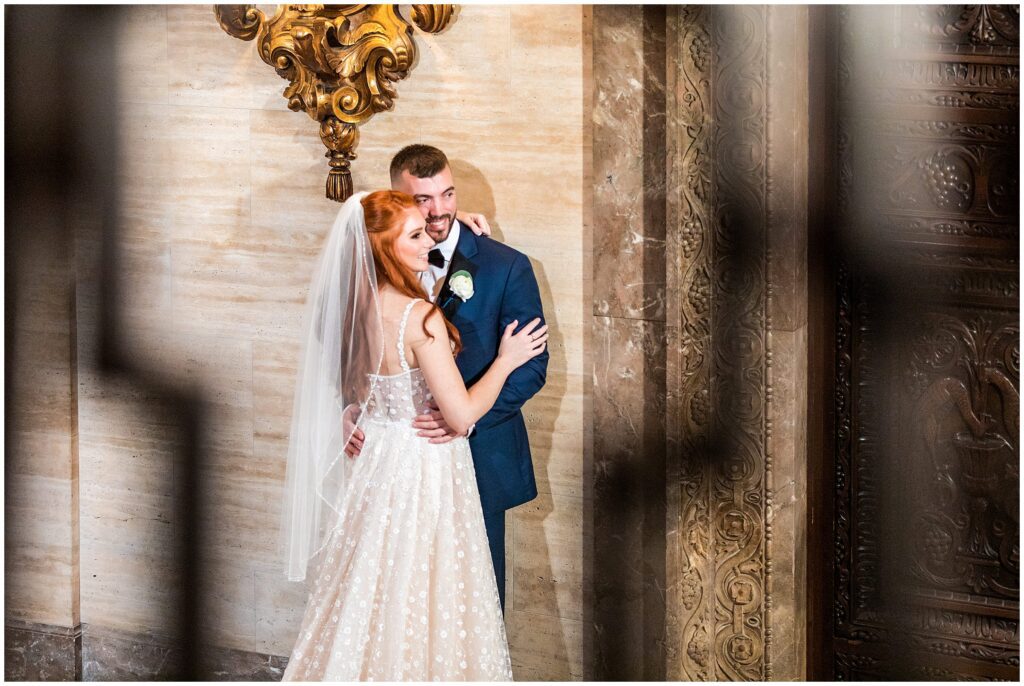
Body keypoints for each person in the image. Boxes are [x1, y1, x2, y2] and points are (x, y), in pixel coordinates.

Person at [280, 190, 548, 680]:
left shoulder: (355, 310)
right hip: (426, 466)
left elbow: (360, 387)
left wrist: (352, 413)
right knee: (433, 592)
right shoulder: (421, 318)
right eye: (416, 235)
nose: (429, 241)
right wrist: (507, 360)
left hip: (378, 464)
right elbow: (462, 414)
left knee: (374, 592)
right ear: (386, 249)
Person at [345, 145, 549, 609]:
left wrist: (462, 417)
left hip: (479, 456)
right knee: (396, 597)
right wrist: (351, 408)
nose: (438, 211)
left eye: (448, 194)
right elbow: (346, 347)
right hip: (397, 466)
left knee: (474, 602)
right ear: (395, 198)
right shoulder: (370, 268)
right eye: (422, 200)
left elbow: (533, 364)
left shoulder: (505, 265)